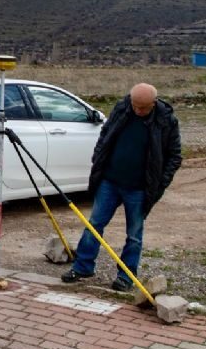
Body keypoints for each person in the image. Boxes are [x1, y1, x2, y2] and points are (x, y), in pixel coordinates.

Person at [62, 83, 182, 291]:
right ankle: (82, 267)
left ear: (153, 104)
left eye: (143, 108)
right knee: (94, 225)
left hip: (139, 189)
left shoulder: (166, 121)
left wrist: (160, 183)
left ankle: (126, 277)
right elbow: (105, 135)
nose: (138, 110)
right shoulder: (122, 108)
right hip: (109, 182)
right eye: (135, 105)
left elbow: (175, 156)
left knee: (134, 235)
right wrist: (98, 158)